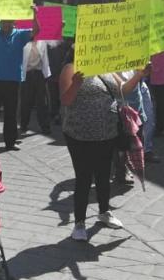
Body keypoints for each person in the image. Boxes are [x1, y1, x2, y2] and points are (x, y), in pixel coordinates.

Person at [59, 49, 147, 242]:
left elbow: (122, 91)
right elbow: (65, 100)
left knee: (103, 174)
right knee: (83, 177)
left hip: (107, 133)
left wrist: (139, 75)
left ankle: (104, 211)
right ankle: (79, 223)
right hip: (79, 134)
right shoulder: (70, 68)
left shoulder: (105, 68)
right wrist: (75, 85)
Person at [0, 16, 39, 151]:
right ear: (0, 22)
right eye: (3, 21)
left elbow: (36, 30)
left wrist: (34, 14)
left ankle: (10, 142)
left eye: (9, 22)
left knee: (11, 113)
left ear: (14, 22)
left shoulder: (20, 34)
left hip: (13, 80)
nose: (6, 24)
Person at [20, 39, 52, 135]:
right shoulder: (23, 41)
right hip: (26, 74)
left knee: (41, 102)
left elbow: (45, 59)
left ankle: (45, 126)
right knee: (26, 101)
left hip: (39, 74)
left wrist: (47, 75)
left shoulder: (42, 42)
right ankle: (23, 124)